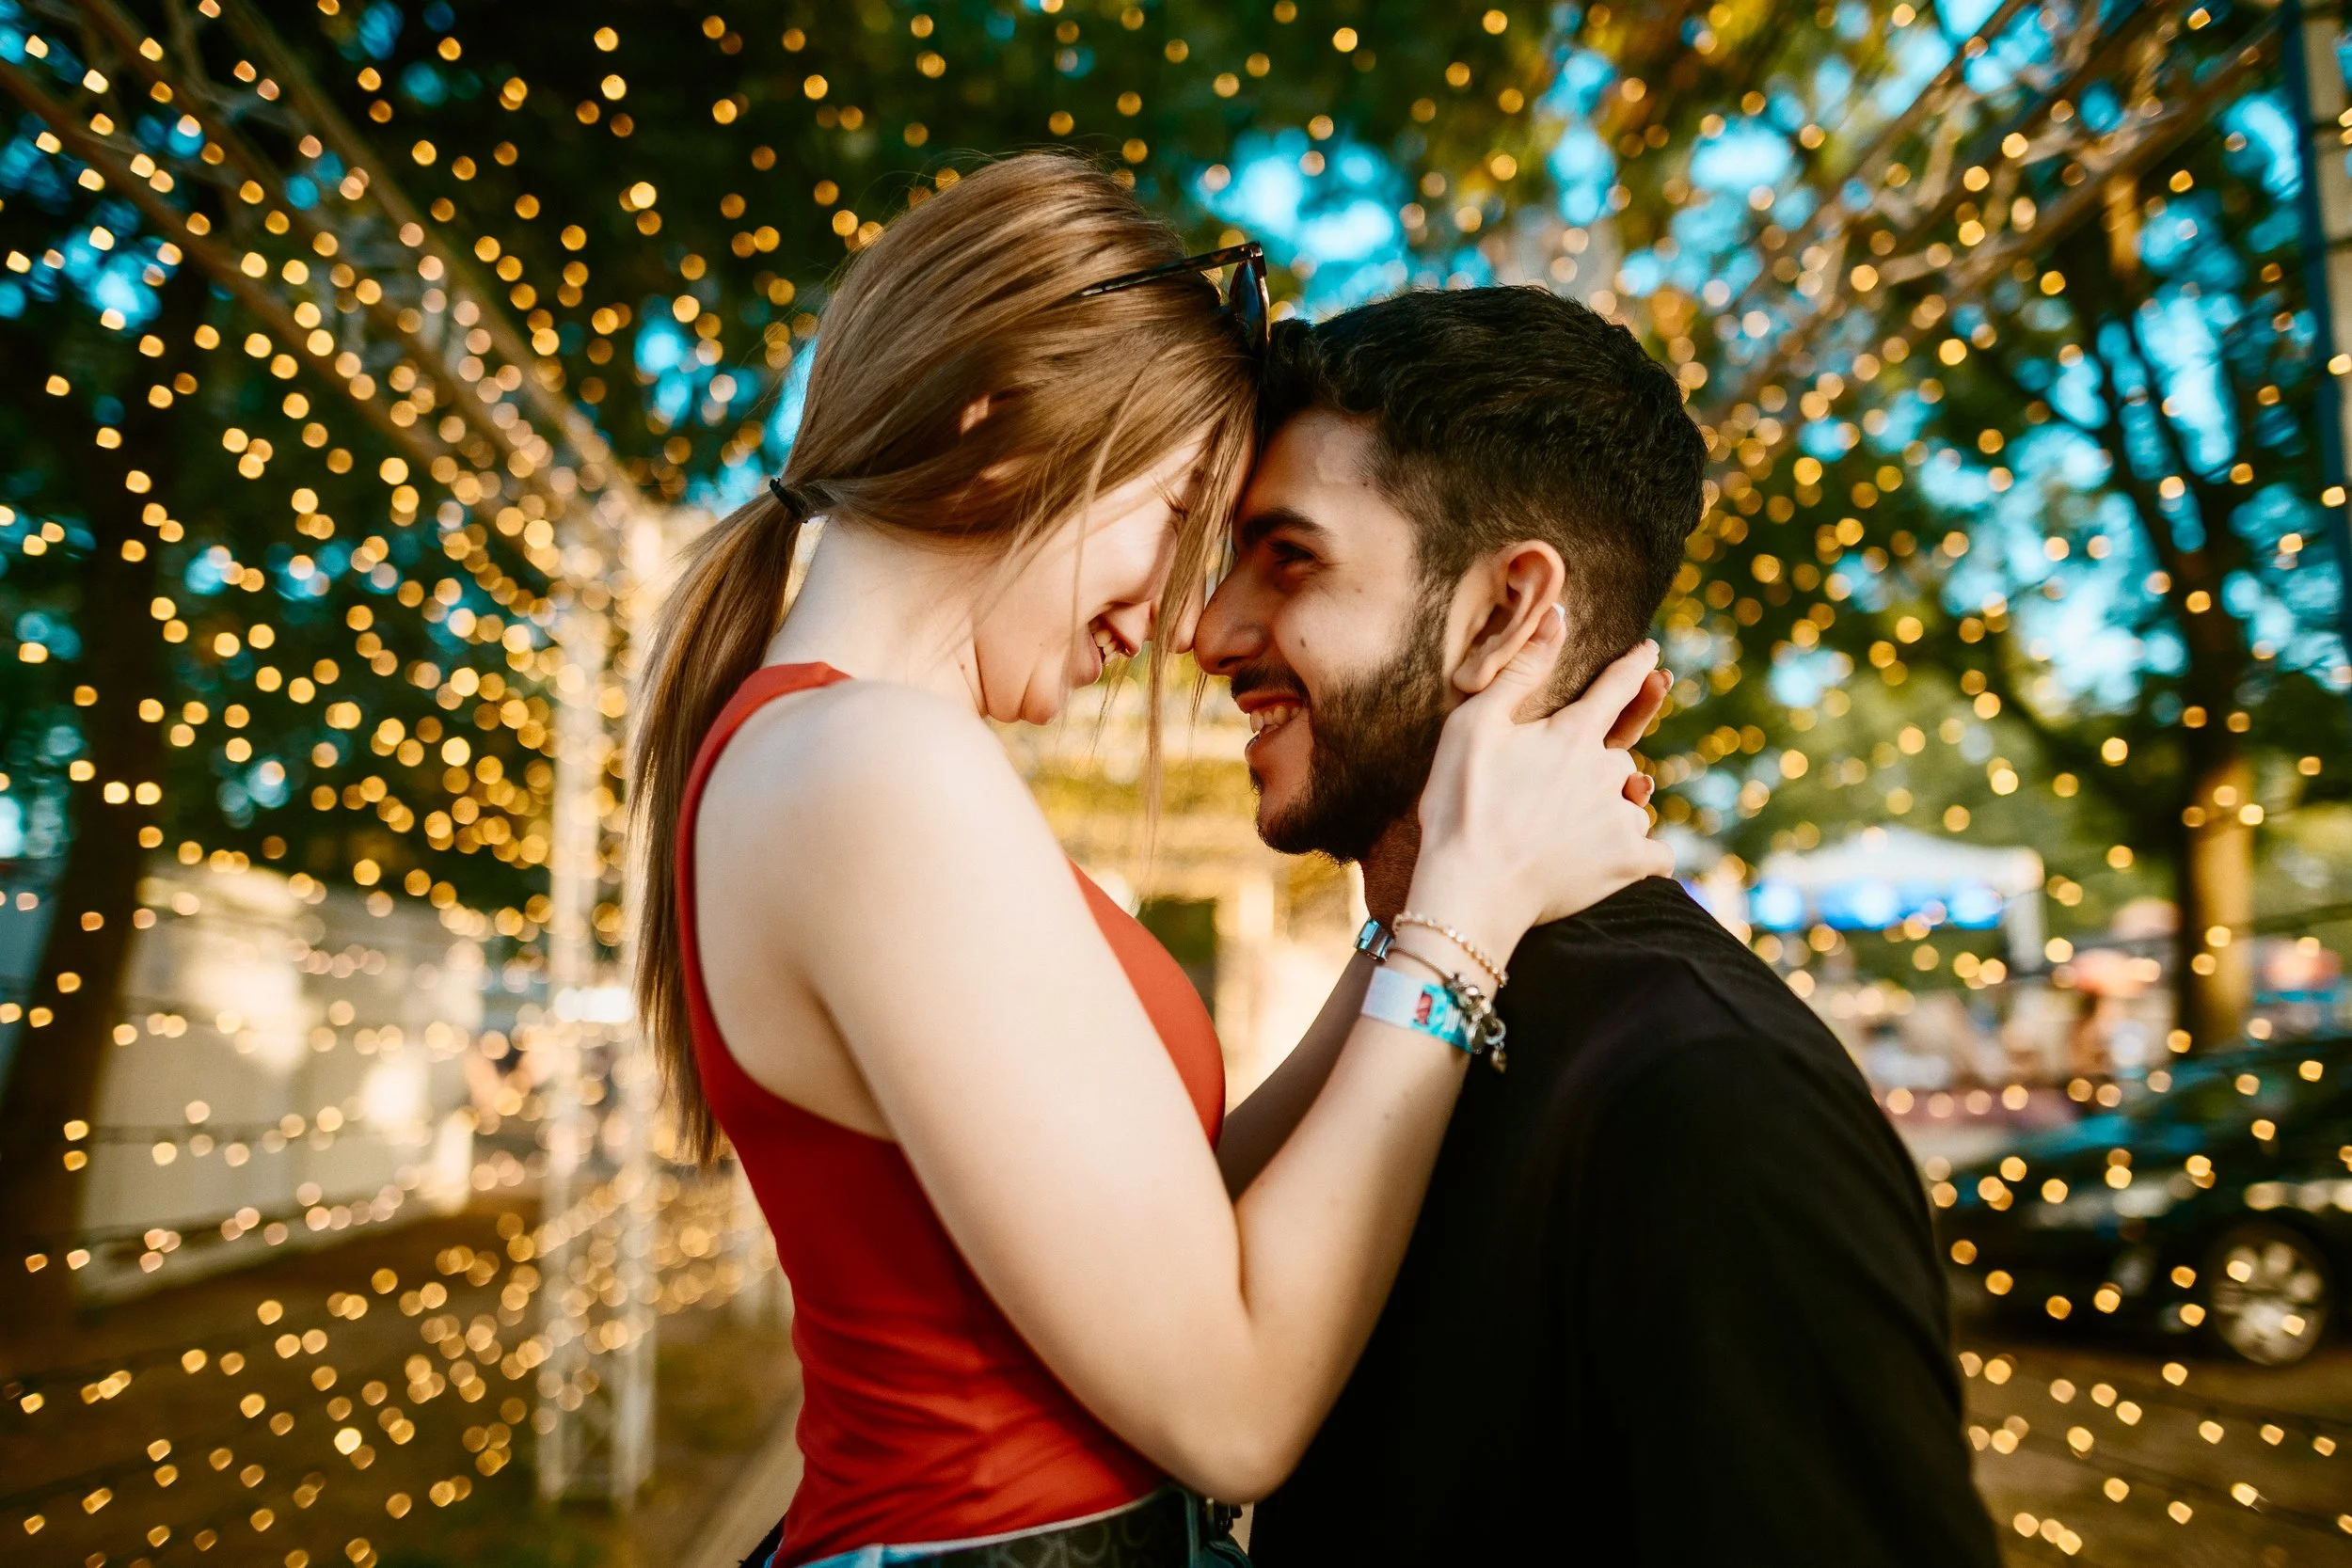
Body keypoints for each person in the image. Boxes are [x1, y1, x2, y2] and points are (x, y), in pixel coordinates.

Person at [628, 155, 1673, 1568]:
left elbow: (1168, 1223)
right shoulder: (871, 767)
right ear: (997, 420)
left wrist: (1421, 909)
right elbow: (1233, 1411)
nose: (1181, 616)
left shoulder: (834, 754)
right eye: (1182, 520)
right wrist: (1464, 924)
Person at [1198, 288, 2002, 1566]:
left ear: (1510, 612)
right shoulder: (1423, 1007)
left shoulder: (1710, 1092)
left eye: (1289, 556)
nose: (1209, 632)